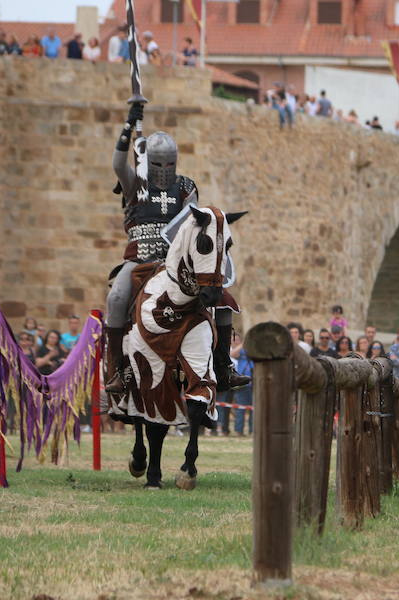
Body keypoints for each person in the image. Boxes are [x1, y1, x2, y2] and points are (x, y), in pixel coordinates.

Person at [106, 102, 248, 395]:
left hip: (177, 262)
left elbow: (191, 224)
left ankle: (223, 366)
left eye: (169, 164)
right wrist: (128, 127)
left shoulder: (185, 187)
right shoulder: (136, 185)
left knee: (222, 298)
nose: (164, 170)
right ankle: (118, 370)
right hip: (141, 259)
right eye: (158, 164)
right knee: (117, 297)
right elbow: (119, 164)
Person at [230, 332, 254, 435]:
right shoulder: (240, 349)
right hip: (242, 383)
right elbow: (233, 354)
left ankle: (253, 431)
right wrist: (243, 343)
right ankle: (239, 431)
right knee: (240, 408)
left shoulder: (254, 348)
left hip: (254, 383)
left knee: (254, 409)